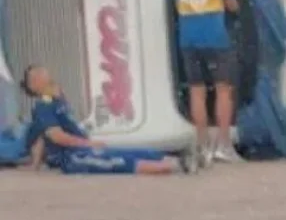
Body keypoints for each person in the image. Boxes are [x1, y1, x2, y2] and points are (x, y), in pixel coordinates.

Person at [23, 66, 197, 175]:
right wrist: (86, 144)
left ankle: (177, 159)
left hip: (82, 147)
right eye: (40, 74)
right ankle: (177, 165)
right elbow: (55, 136)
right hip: (74, 155)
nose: (47, 74)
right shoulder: (43, 106)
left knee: (132, 152)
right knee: (119, 162)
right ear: (34, 85)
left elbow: (40, 136)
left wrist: (36, 164)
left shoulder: (56, 100)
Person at [169, 0, 239, 166]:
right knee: (222, 90)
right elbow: (231, 4)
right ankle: (224, 144)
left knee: (196, 91)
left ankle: (202, 144)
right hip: (215, 38)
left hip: (188, 39)